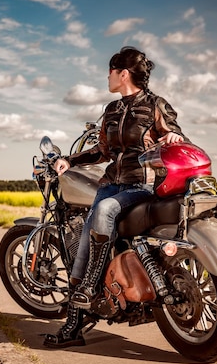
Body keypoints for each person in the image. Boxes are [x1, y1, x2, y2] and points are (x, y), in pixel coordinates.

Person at [43, 46, 186, 348]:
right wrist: (71, 160)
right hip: (111, 185)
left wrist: (174, 136)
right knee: (84, 241)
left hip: (141, 187)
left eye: (110, 71)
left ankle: (89, 287)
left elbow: (174, 134)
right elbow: (102, 151)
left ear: (123, 74)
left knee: (105, 210)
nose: (106, 76)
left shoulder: (154, 105)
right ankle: (75, 320)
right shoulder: (112, 110)